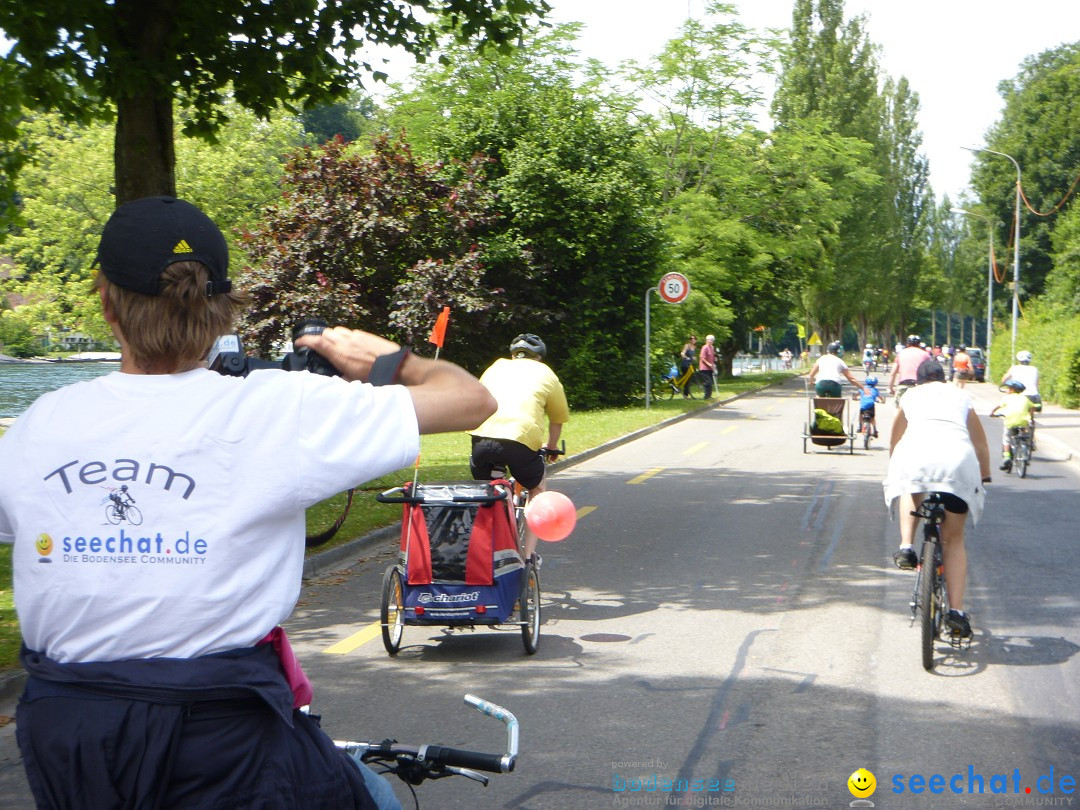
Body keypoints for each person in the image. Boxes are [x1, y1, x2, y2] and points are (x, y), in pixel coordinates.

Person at [0, 195, 497, 810]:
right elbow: (471, 400)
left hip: (68, 737)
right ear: (222, 309)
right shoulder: (277, 406)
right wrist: (387, 361)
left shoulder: (38, 424)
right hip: (218, 739)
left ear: (107, 302)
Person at [883, 358, 991, 639]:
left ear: (917, 381)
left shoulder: (911, 395)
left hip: (916, 456)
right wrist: (986, 473)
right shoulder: (960, 395)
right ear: (943, 379)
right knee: (953, 540)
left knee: (912, 486)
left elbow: (895, 437)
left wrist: (895, 461)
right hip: (957, 462)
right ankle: (955, 612)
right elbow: (980, 443)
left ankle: (906, 547)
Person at [469, 333, 570, 561]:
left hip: (482, 438)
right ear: (539, 357)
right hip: (520, 439)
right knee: (537, 487)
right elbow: (558, 416)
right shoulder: (545, 373)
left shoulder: (495, 367)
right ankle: (527, 556)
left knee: (491, 490)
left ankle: (491, 549)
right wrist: (552, 446)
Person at [989, 379, 1036, 472]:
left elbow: (998, 406)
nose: (1006, 390)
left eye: (1008, 389)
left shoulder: (1006, 398)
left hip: (1010, 422)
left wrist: (992, 413)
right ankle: (1026, 447)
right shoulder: (1025, 398)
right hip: (1023, 422)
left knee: (1006, 438)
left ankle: (1006, 457)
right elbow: (1033, 407)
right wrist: (1030, 416)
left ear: (1012, 389)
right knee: (1025, 432)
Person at [1001, 350, 1042, 436]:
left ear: (1018, 359)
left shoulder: (1014, 368)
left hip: (1019, 395)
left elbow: (1004, 380)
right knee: (1031, 415)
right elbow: (1037, 384)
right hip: (1034, 396)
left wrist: (1007, 388)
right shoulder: (1034, 369)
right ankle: (1031, 435)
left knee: (1014, 411)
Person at [888, 334, 931, 403]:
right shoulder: (925, 355)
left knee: (898, 408)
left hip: (904, 385)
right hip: (919, 386)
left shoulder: (901, 353)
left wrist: (890, 388)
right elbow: (930, 372)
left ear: (907, 344)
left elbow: (893, 373)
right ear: (919, 344)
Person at [698, 334, 718, 399]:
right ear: (707, 340)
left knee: (710, 382)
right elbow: (702, 358)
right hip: (704, 368)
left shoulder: (712, 347)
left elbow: (712, 356)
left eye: (712, 340)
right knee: (707, 382)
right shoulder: (704, 347)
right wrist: (708, 363)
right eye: (709, 340)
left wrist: (714, 361)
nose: (711, 341)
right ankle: (706, 396)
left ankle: (709, 395)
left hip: (710, 368)